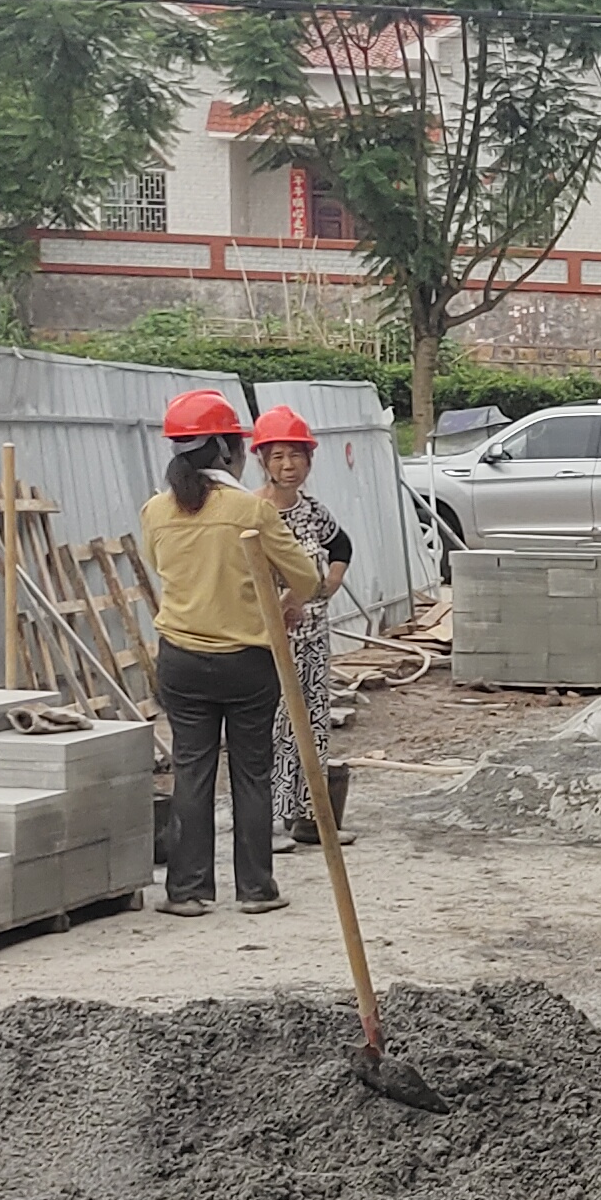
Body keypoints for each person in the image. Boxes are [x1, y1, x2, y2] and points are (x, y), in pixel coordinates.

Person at [139, 389, 319, 918]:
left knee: (192, 771)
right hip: (247, 662)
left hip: (181, 658)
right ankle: (256, 889)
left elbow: (161, 566)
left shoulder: (155, 510)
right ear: (225, 448)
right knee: (251, 772)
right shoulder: (249, 509)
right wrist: (287, 603)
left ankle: (186, 891)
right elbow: (306, 577)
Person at [247, 407, 354, 847]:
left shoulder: (312, 511)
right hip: (270, 640)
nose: (288, 465)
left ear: (309, 460)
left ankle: (312, 818)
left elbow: (341, 545)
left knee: (312, 723)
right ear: (262, 461)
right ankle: (271, 820)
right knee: (274, 726)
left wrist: (331, 581)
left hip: (312, 639)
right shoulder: (253, 511)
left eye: (296, 456)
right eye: (277, 456)